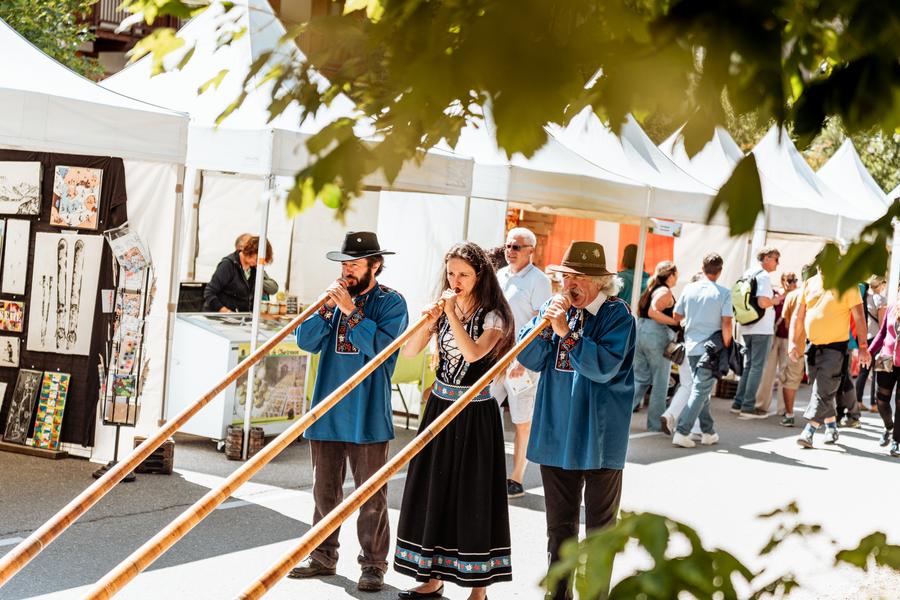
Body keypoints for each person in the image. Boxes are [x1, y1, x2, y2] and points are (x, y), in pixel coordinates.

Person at [394, 242, 514, 600]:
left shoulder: (493, 315)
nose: (455, 279)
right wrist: (428, 321)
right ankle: (431, 577)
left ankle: (479, 587)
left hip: (475, 412)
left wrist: (451, 314)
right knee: (433, 489)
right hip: (440, 406)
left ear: (480, 276)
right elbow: (411, 350)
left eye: (463, 274)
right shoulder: (445, 309)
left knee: (472, 494)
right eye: (451, 273)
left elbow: (474, 352)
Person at [290, 231, 408, 592]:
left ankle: (373, 564)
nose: (347, 271)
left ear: (375, 266)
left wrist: (351, 313)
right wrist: (328, 309)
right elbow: (305, 341)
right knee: (324, 491)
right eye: (344, 264)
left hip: (367, 414)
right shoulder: (333, 300)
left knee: (371, 496)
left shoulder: (392, 303)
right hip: (327, 409)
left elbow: (383, 350)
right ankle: (323, 555)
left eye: (354, 265)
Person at [517, 241, 636, 600]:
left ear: (601, 282)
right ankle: (557, 594)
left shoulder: (618, 315)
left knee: (599, 530)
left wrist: (566, 333)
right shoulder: (554, 310)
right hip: (556, 432)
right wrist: (544, 323)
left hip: (599, 437)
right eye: (567, 276)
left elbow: (602, 367)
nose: (572, 284)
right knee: (559, 528)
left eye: (582, 278)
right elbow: (528, 357)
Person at [492, 227, 552, 498]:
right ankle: (486, 473)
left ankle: (515, 478)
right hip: (494, 360)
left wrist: (521, 357)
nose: (510, 251)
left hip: (521, 363)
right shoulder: (499, 275)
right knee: (483, 415)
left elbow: (541, 323)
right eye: (507, 246)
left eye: (516, 247)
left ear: (530, 251)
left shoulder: (539, 280)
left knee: (521, 420)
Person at [789, 267, 870, 449]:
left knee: (823, 389)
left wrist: (863, 347)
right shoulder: (810, 283)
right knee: (821, 389)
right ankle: (832, 426)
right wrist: (792, 342)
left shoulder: (848, 284)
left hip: (836, 348)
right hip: (813, 346)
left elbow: (859, 317)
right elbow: (798, 315)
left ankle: (809, 431)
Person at [671, 253, 733, 448]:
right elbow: (727, 322)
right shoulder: (723, 293)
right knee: (700, 389)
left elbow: (676, 315)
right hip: (711, 348)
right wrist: (728, 347)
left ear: (703, 267)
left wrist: (691, 323)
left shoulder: (689, 289)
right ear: (720, 270)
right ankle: (682, 431)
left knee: (702, 389)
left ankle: (708, 431)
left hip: (691, 345)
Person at [732, 247, 783, 419]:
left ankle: (738, 403)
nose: (778, 263)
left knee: (749, 366)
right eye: (776, 259)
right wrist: (775, 300)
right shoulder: (763, 276)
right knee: (757, 367)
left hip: (747, 325)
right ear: (767, 258)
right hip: (761, 328)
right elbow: (762, 302)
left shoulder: (748, 273)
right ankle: (747, 407)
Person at [631, 261, 679, 431]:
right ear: (671, 275)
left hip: (641, 332)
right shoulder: (664, 291)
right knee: (660, 381)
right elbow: (653, 312)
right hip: (656, 335)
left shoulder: (651, 288)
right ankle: (655, 424)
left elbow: (643, 312)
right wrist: (674, 322)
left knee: (640, 378)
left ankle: (618, 413)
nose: (677, 278)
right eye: (676, 274)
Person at [754, 272, 799, 416]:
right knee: (768, 371)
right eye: (790, 280)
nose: (792, 283)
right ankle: (761, 404)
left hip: (789, 339)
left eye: (795, 280)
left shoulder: (798, 296)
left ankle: (784, 408)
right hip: (774, 336)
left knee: (785, 373)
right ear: (783, 280)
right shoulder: (775, 294)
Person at [202, 236, 274, 312]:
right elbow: (209, 292)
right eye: (256, 260)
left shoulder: (254, 268)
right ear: (251, 251)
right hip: (218, 318)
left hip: (239, 318)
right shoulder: (228, 265)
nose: (257, 264)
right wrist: (226, 311)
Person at [866, 301, 900, 456]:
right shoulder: (892, 307)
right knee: (881, 400)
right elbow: (882, 333)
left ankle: (896, 441)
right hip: (886, 358)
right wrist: (869, 351)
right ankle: (889, 427)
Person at [775, 273, 805, 426]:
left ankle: (789, 414)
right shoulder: (826, 294)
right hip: (818, 344)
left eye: (795, 280)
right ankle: (825, 420)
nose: (793, 283)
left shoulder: (793, 295)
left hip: (796, 343)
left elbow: (787, 323)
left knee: (790, 379)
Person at [856, 275, 887, 410]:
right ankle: (874, 404)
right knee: (875, 372)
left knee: (863, 371)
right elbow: (882, 324)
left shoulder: (865, 298)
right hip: (876, 338)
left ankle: (857, 401)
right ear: (880, 285)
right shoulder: (880, 299)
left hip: (866, 337)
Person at [616, 243, 649, 310]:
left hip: (623, 317)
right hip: (640, 318)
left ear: (625, 258)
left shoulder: (620, 277)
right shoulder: (649, 279)